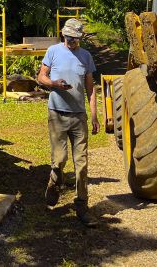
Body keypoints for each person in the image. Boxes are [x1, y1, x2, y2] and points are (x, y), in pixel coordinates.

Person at [36, 18, 100, 227]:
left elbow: (90, 90)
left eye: (76, 39)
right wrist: (53, 83)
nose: (73, 42)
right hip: (57, 114)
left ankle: (82, 206)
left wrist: (93, 115)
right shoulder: (53, 52)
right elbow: (41, 77)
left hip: (78, 116)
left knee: (81, 165)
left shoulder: (86, 56)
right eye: (70, 38)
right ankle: (54, 181)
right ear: (64, 34)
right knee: (60, 159)